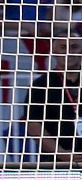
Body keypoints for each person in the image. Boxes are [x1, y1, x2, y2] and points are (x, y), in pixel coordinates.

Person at [25, 35, 82, 166]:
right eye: (63, 47)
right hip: (55, 163)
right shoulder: (41, 85)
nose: (69, 52)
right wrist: (61, 153)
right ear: (54, 52)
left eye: (75, 47)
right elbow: (33, 126)